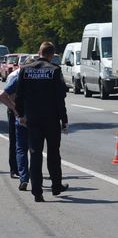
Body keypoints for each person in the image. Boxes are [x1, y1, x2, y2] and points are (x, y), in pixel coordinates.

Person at [15, 42, 69, 202]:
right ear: (52, 55)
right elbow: (61, 98)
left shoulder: (25, 70)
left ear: (39, 52)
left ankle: (37, 192)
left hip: (33, 120)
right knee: (53, 154)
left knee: (35, 154)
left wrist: (21, 115)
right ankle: (56, 186)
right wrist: (64, 120)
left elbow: (18, 96)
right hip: (51, 120)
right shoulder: (54, 70)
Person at [0, 59, 34, 190]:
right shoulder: (15, 76)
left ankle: (24, 177)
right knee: (29, 147)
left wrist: (16, 110)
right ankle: (22, 173)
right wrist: (14, 109)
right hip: (29, 115)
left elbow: (4, 95)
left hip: (21, 115)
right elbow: (5, 95)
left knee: (21, 147)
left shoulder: (19, 77)